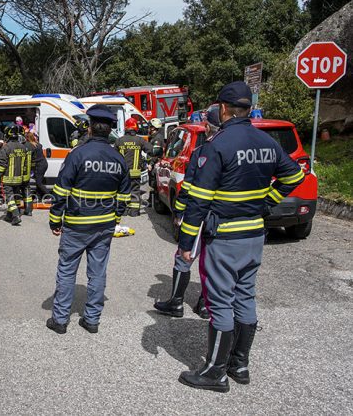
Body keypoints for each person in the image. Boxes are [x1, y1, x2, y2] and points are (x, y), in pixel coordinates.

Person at [177, 82, 306, 392]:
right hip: (254, 234)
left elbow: (199, 200)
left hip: (224, 236)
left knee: (220, 302)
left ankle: (214, 373)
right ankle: (240, 364)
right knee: (245, 297)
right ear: (248, 108)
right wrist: (266, 202)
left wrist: (185, 244)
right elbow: (295, 176)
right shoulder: (267, 141)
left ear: (223, 108)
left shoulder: (217, 145)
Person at [46, 104, 131, 335]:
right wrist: (115, 219)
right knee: (97, 272)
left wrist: (55, 220)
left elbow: (61, 191)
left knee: (67, 271)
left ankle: (60, 320)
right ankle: (92, 320)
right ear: (110, 130)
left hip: (76, 225)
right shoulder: (118, 159)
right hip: (103, 226)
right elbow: (124, 196)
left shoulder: (77, 155)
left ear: (91, 128)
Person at [154, 105, 222, 319]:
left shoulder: (202, 152)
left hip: (200, 217)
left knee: (184, 258)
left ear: (209, 127)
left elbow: (188, 188)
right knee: (211, 261)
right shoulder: (243, 149)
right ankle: (204, 304)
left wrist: (179, 214)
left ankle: (176, 302)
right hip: (227, 218)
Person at [115, 117, 153, 217]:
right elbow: (151, 150)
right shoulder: (140, 140)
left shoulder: (119, 141)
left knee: (122, 192)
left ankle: (122, 211)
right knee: (135, 191)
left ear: (126, 128)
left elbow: (113, 156)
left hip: (122, 174)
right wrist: (149, 161)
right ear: (135, 128)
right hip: (135, 173)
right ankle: (134, 212)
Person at [0, 125, 29, 226]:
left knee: (10, 198)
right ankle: (9, 216)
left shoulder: (5, 148)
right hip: (19, 178)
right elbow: (25, 165)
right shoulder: (23, 147)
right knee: (16, 197)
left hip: (8, 179)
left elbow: (2, 164)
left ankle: (15, 215)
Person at [26, 132, 49, 200]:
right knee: (38, 181)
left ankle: (49, 196)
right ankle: (38, 197)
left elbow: (31, 158)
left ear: (27, 138)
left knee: (39, 183)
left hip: (39, 165)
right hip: (43, 164)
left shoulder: (31, 146)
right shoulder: (37, 144)